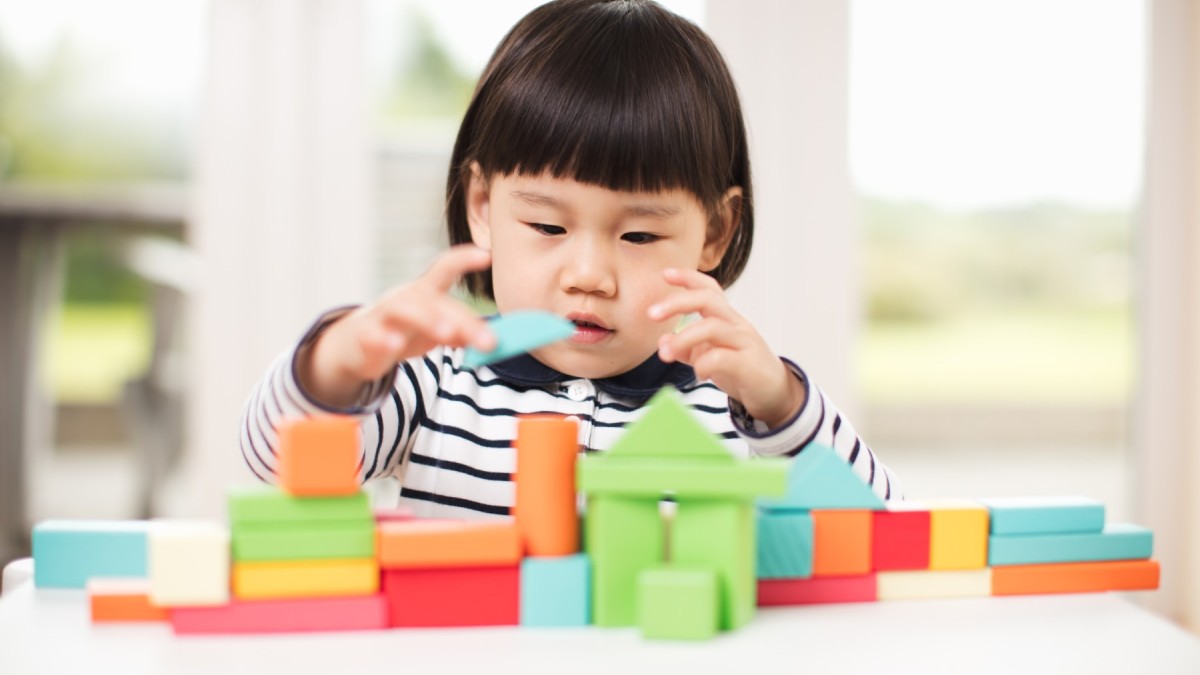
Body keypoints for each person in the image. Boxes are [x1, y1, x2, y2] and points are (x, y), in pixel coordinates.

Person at [240, 0, 899, 518]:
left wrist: (781, 402)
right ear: (482, 206)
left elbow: (880, 529)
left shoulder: (731, 415)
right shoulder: (431, 386)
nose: (588, 275)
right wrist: (338, 362)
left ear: (715, 233)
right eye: (547, 224)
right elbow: (272, 460)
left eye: (638, 236)